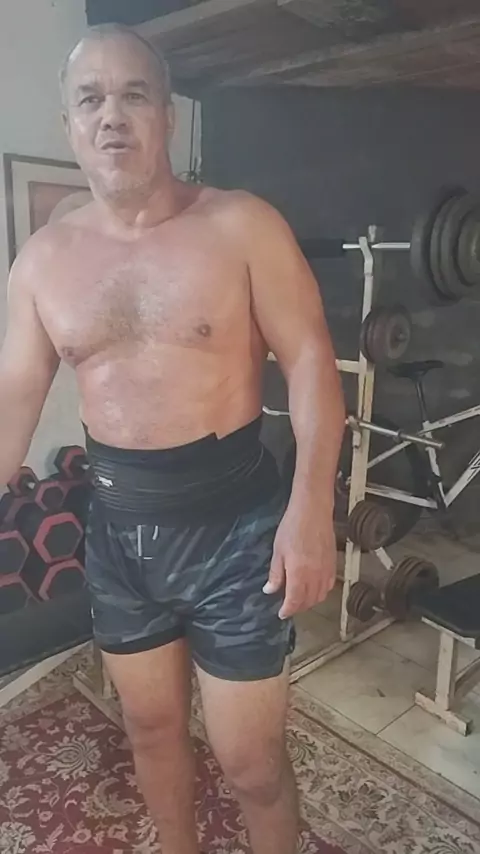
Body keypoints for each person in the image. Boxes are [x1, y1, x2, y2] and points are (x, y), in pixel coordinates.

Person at [0, 23, 345, 854]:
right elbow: (13, 398)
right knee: (151, 733)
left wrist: (309, 511)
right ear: (69, 123)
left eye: (134, 95)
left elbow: (310, 362)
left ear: (168, 117)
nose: (111, 116)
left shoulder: (242, 225)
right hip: (120, 536)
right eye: (91, 99)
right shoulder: (42, 262)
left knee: (250, 761)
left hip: (238, 531)